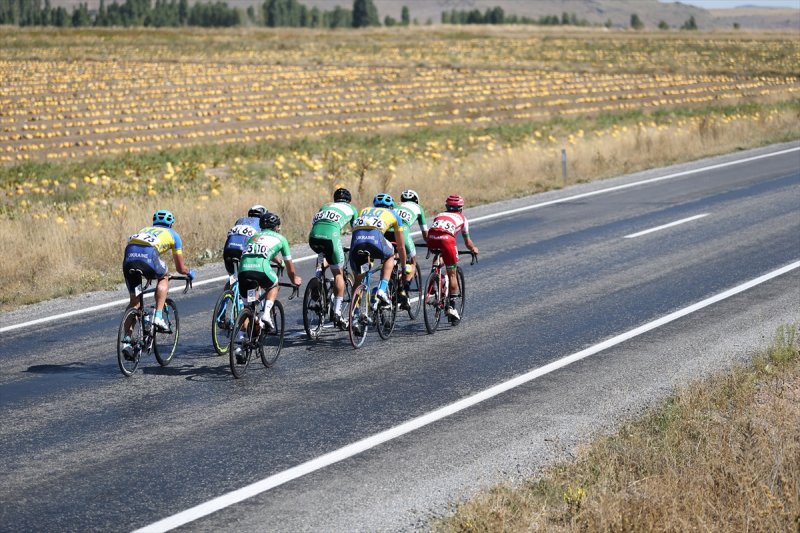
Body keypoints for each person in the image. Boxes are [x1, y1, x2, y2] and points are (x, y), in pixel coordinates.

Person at [121, 209, 196, 357]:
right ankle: (159, 316)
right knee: (164, 276)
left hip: (129, 257)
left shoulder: (144, 229)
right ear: (171, 223)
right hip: (148, 256)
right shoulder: (174, 235)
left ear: (154, 222)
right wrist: (189, 273)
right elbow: (180, 268)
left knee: (135, 303)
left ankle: (127, 341)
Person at [238, 212, 302, 333]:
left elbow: (259, 252)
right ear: (277, 227)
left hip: (244, 272)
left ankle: (242, 342)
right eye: (279, 226)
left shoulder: (254, 237)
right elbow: (289, 264)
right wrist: (294, 279)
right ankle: (266, 313)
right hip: (260, 270)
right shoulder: (281, 239)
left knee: (249, 308)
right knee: (274, 284)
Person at [308, 187, 359, 326]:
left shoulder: (325, 206)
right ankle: (337, 312)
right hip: (331, 238)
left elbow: (319, 224)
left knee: (322, 255)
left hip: (313, 237)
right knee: (338, 273)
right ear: (348, 200)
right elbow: (357, 232)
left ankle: (317, 280)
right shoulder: (352, 209)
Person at [425, 194, 479, 321]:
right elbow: (467, 241)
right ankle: (452, 307)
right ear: (461, 208)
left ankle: (434, 278)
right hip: (447, 239)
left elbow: (436, 229)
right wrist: (473, 249)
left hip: (431, 237)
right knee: (452, 273)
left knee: (439, 254)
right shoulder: (463, 219)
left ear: (446, 206)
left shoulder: (439, 215)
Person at [349, 193, 407, 308]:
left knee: (359, 279)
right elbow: (401, 247)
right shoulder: (394, 214)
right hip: (374, 240)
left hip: (357, 243)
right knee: (390, 255)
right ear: (391, 205)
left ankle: (354, 315)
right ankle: (382, 289)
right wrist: (404, 267)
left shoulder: (364, 210)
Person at [386, 189, 428, 309]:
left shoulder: (396, 206)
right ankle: (404, 289)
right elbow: (425, 234)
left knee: (390, 259)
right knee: (413, 263)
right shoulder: (419, 208)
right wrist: (430, 245)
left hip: (387, 233)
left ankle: (390, 287)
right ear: (416, 201)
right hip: (402, 233)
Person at [223, 204, 267, 278]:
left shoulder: (240, 220)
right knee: (255, 278)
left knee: (232, 279)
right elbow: (263, 245)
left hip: (228, 249)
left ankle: (230, 287)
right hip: (243, 250)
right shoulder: (261, 223)